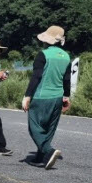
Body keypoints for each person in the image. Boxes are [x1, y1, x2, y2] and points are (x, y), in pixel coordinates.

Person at [22, 25, 71, 170]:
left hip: (41, 96)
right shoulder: (66, 56)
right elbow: (67, 79)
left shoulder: (43, 55)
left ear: (47, 40)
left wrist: (27, 96)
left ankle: (49, 151)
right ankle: (40, 157)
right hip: (57, 97)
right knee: (49, 128)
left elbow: (36, 77)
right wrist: (66, 97)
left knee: (35, 127)